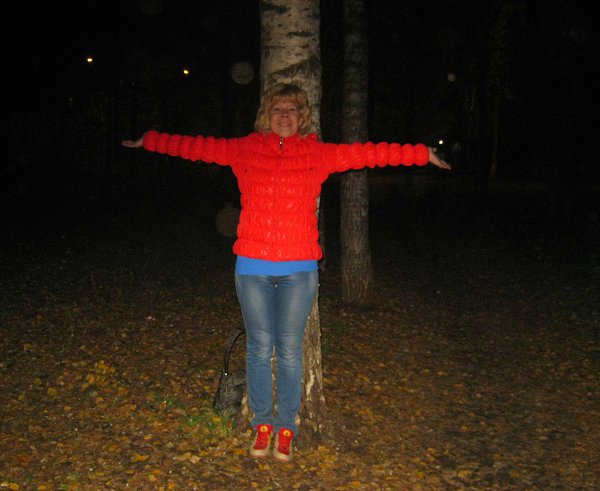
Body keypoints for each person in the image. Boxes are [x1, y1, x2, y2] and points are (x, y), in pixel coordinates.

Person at [122, 82, 450, 463]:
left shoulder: (317, 154)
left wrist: (421, 153)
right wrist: (150, 140)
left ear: (302, 116)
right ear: (266, 114)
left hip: (298, 270)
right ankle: (262, 422)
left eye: (292, 109)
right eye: (277, 108)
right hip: (252, 268)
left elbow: (369, 154)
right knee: (260, 348)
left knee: (290, 351)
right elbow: (195, 147)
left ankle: (287, 426)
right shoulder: (245, 149)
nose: (284, 115)